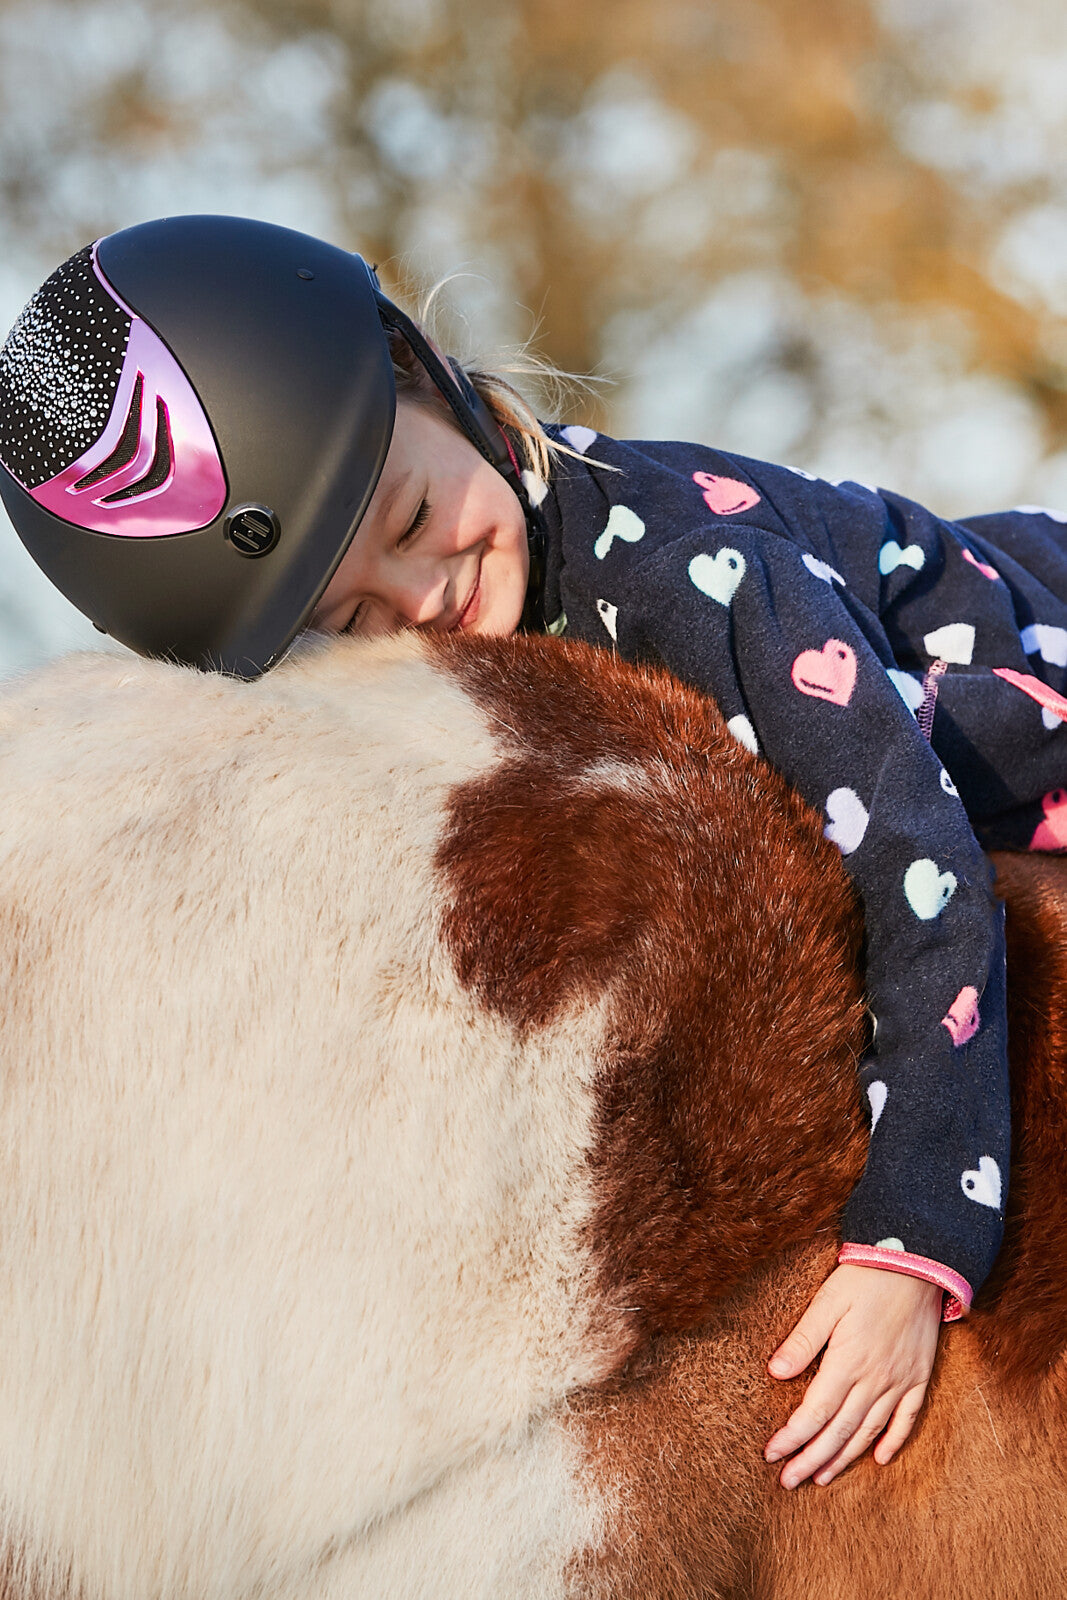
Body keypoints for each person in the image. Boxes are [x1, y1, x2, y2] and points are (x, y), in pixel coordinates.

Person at [2, 216, 1064, 1494]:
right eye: (346, 620)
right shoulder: (485, 651)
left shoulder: (686, 586)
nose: (422, 597)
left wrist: (908, 1242)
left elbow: (918, 867)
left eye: (406, 512)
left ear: (427, 372)